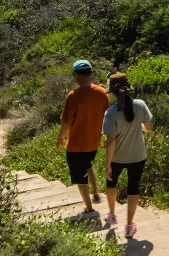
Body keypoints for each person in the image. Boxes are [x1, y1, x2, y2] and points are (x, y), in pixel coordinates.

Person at [102, 72, 153, 239]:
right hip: (138, 155)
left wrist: (108, 164)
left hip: (117, 158)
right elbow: (149, 128)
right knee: (133, 188)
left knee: (111, 184)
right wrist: (139, 128)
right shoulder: (140, 105)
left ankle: (111, 214)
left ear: (113, 93)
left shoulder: (111, 113)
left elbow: (110, 142)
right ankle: (130, 225)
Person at [57, 60, 109, 219]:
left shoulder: (73, 96)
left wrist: (60, 138)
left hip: (76, 145)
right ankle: (96, 190)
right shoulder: (102, 93)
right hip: (94, 142)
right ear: (91, 73)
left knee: (80, 178)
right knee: (87, 164)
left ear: (75, 76)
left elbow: (67, 122)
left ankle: (89, 208)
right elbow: (108, 117)